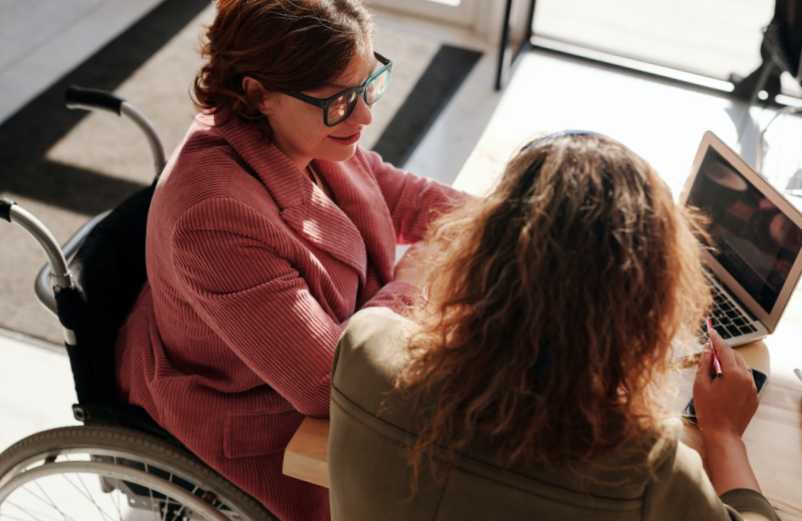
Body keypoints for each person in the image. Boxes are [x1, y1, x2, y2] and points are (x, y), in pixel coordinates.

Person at [113, 1, 464, 520]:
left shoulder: (306, 128)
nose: (365, 113)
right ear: (259, 93)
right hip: (258, 420)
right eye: (343, 99)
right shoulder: (216, 217)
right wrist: (418, 273)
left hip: (322, 354)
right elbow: (332, 385)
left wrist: (517, 222)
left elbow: (404, 196)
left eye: (371, 84)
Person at [329, 131, 780, 521]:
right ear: (644, 305)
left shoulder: (364, 345)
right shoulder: (645, 469)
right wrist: (724, 436)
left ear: (477, 250)